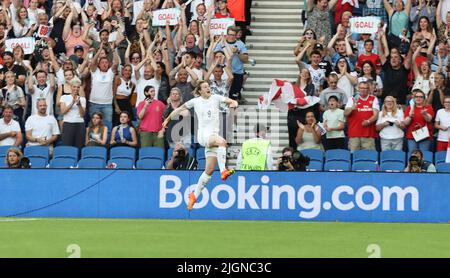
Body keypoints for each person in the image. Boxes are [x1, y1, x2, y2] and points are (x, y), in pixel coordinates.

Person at [162, 81, 238, 211]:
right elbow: (179, 109)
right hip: (204, 136)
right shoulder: (195, 101)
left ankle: (193, 196)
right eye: (205, 87)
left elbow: (232, 102)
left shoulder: (216, 98)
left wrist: (234, 104)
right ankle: (223, 170)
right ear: (199, 91)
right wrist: (167, 119)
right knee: (223, 142)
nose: (208, 88)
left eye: (208, 86)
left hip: (213, 136)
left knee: (208, 171)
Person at [345, 81, 380, 151]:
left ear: (369, 89)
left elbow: (376, 115)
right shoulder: (352, 99)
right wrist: (351, 108)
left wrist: (368, 121)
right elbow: (345, 113)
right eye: (361, 88)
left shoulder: (373, 99)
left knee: (369, 157)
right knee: (354, 157)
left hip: (368, 134)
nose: (363, 90)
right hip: (354, 134)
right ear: (358, 88)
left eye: (365, 88)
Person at [59, 77, 86, 148]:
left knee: (79, 146)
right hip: (68, 123)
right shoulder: (64, 97)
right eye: (74, 86)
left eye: (78, 87)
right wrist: (72, 103)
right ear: (70, 87)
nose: (76, 89)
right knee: (67, 146)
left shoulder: (82, 99)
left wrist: (79, 104)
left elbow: (82, 115)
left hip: (80, 124)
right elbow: (63, 111)